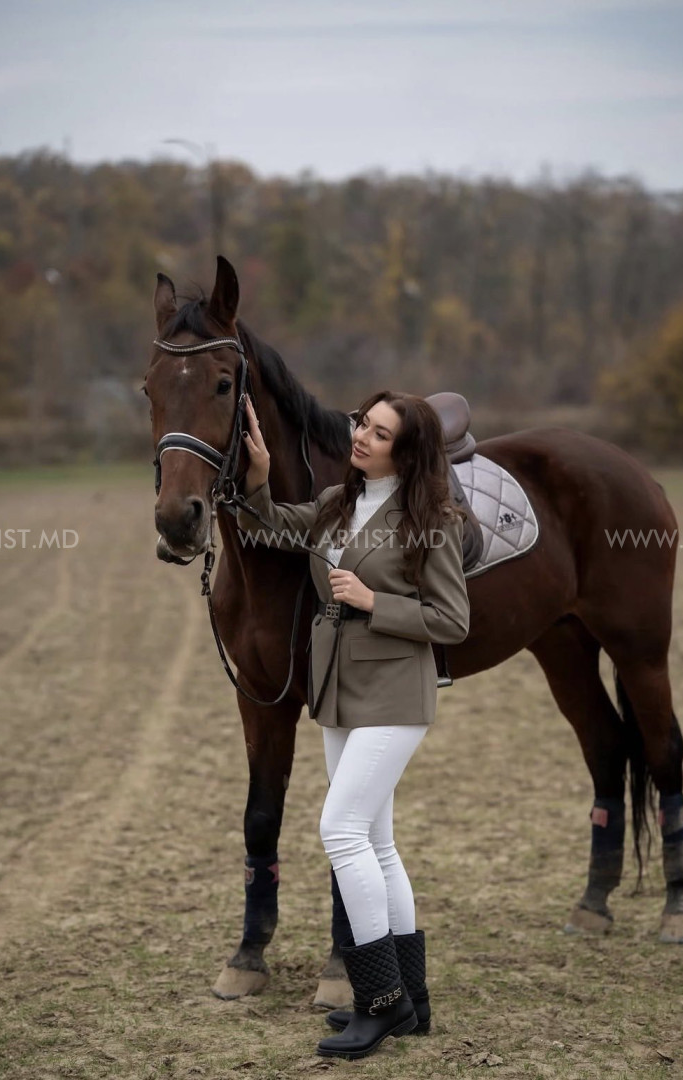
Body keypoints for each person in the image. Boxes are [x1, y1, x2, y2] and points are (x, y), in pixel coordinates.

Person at [238, 389, 470, 1061]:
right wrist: (258, 479)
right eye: (363, 424)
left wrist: (374, 600)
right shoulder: (338, 502)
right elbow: (270, 526)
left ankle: (379, 1000)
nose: (362, 437)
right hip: (338, 688)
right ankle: (411, 998)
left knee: (340, 831)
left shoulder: (431, 519)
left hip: (395, 691)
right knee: (376, 840)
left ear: (409, 451)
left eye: (381, 433)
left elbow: (452, 621)